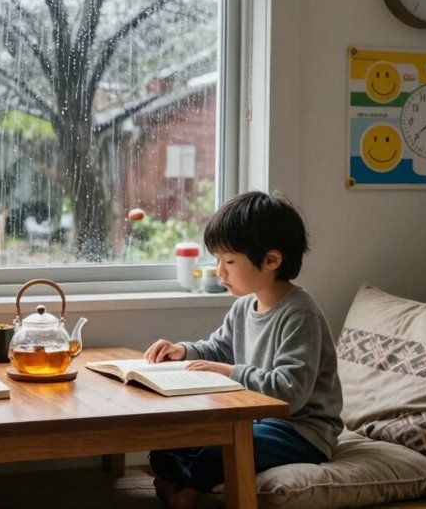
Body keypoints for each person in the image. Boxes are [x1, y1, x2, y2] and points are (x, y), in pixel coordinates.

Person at [144, 190, 343, 509]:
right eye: (218, 260)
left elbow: (290, 393)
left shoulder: (299, 315)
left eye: (229, 261)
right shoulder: (243, 307)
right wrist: (183, 350)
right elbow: (218, 349)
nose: (220, 271)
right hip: (253, 421)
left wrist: (230, 372)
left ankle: (190, 492)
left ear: (271, 260)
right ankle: (189, 481)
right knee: (166, 446)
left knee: (220, 452)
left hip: (300, 432)